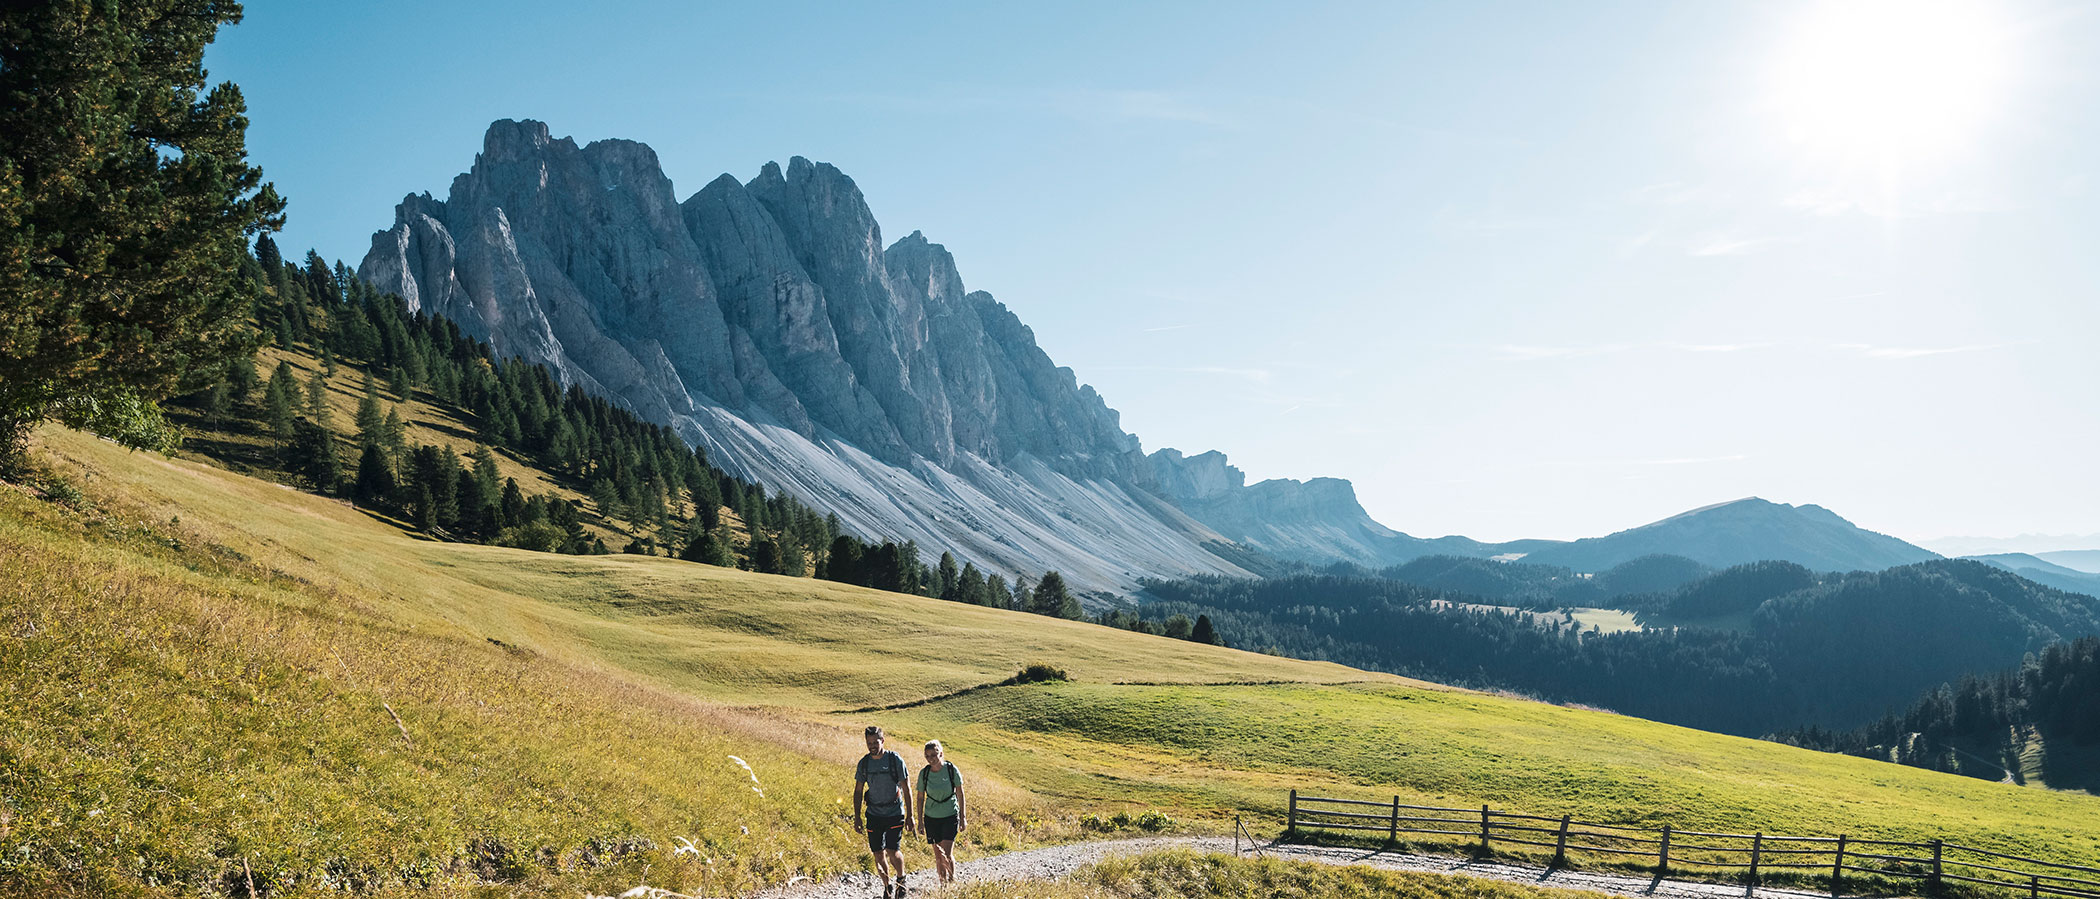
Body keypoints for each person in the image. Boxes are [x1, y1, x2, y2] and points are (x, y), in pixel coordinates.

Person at [853, 725, 915, 897]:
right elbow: (858, 791)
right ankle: (887, 886)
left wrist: (910, 815)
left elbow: (907, 788)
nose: (872, 745)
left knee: (892, 849)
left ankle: (901, 879)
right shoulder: (864, 763)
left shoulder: (895, 760)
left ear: (883, 741)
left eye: (875, 742)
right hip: (873, 814)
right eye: (869, 742)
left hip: (895, 812)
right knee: (878, 854)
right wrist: (857, 817)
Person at [915, 739, 966, 885]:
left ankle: (951, 880)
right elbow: (920, 798)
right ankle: (943, 884)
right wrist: (920, 821)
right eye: (927, 756)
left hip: (950, 815)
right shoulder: (924, 774)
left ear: (941, 753)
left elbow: (960, 794)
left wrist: (963, 818)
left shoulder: (951, 770)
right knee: (938, 855)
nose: (931, 759)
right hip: (931, 817)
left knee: (947, 853)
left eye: (933, 755)